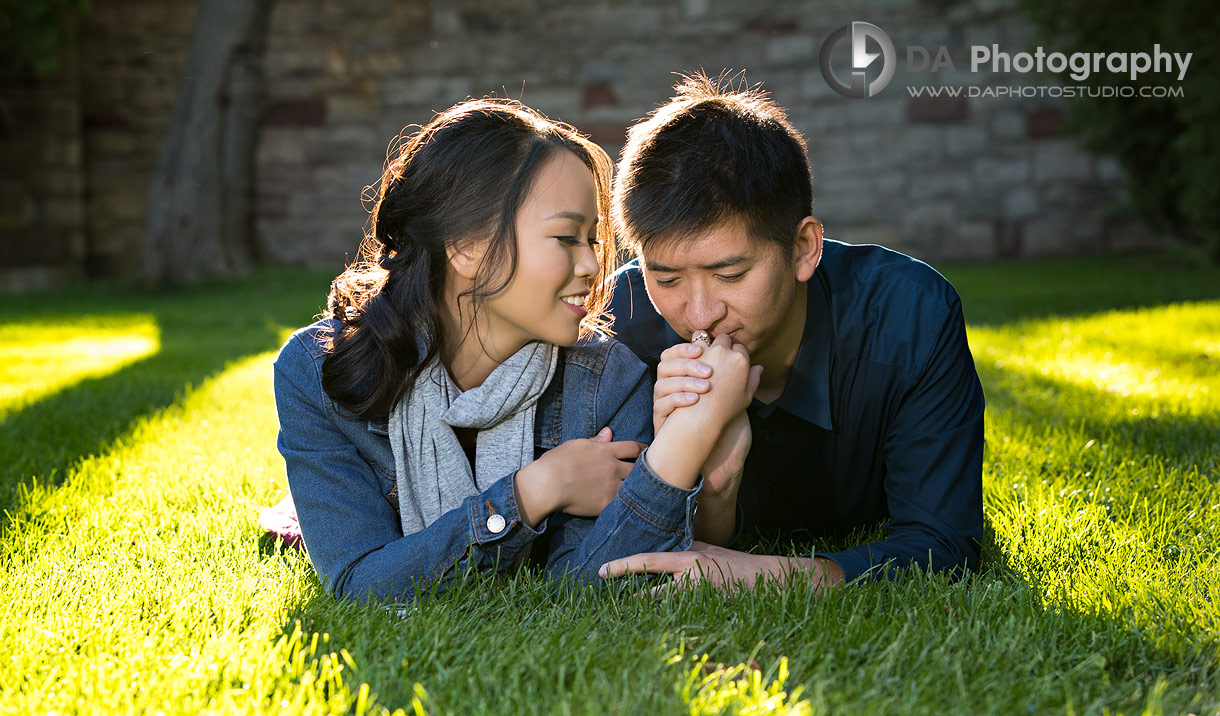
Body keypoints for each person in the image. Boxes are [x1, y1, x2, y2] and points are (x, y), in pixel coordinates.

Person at [272, 98, 756, 603]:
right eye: (567, 237)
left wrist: (687, 438)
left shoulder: (609, 381)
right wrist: (535, 491)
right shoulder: (319, 373)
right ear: (466, 247)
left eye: (592, 238)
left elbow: (593, 588)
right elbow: (361, 588)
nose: (593, 265)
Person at [598, 74, 985, 592]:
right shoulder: (619, 324)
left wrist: (772, 576)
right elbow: (593, 550)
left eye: (730, 275)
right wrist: (704, 485)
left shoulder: (909, 317)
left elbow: (944, 543)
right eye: (665, 277)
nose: (698, 315)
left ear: (804, 247)